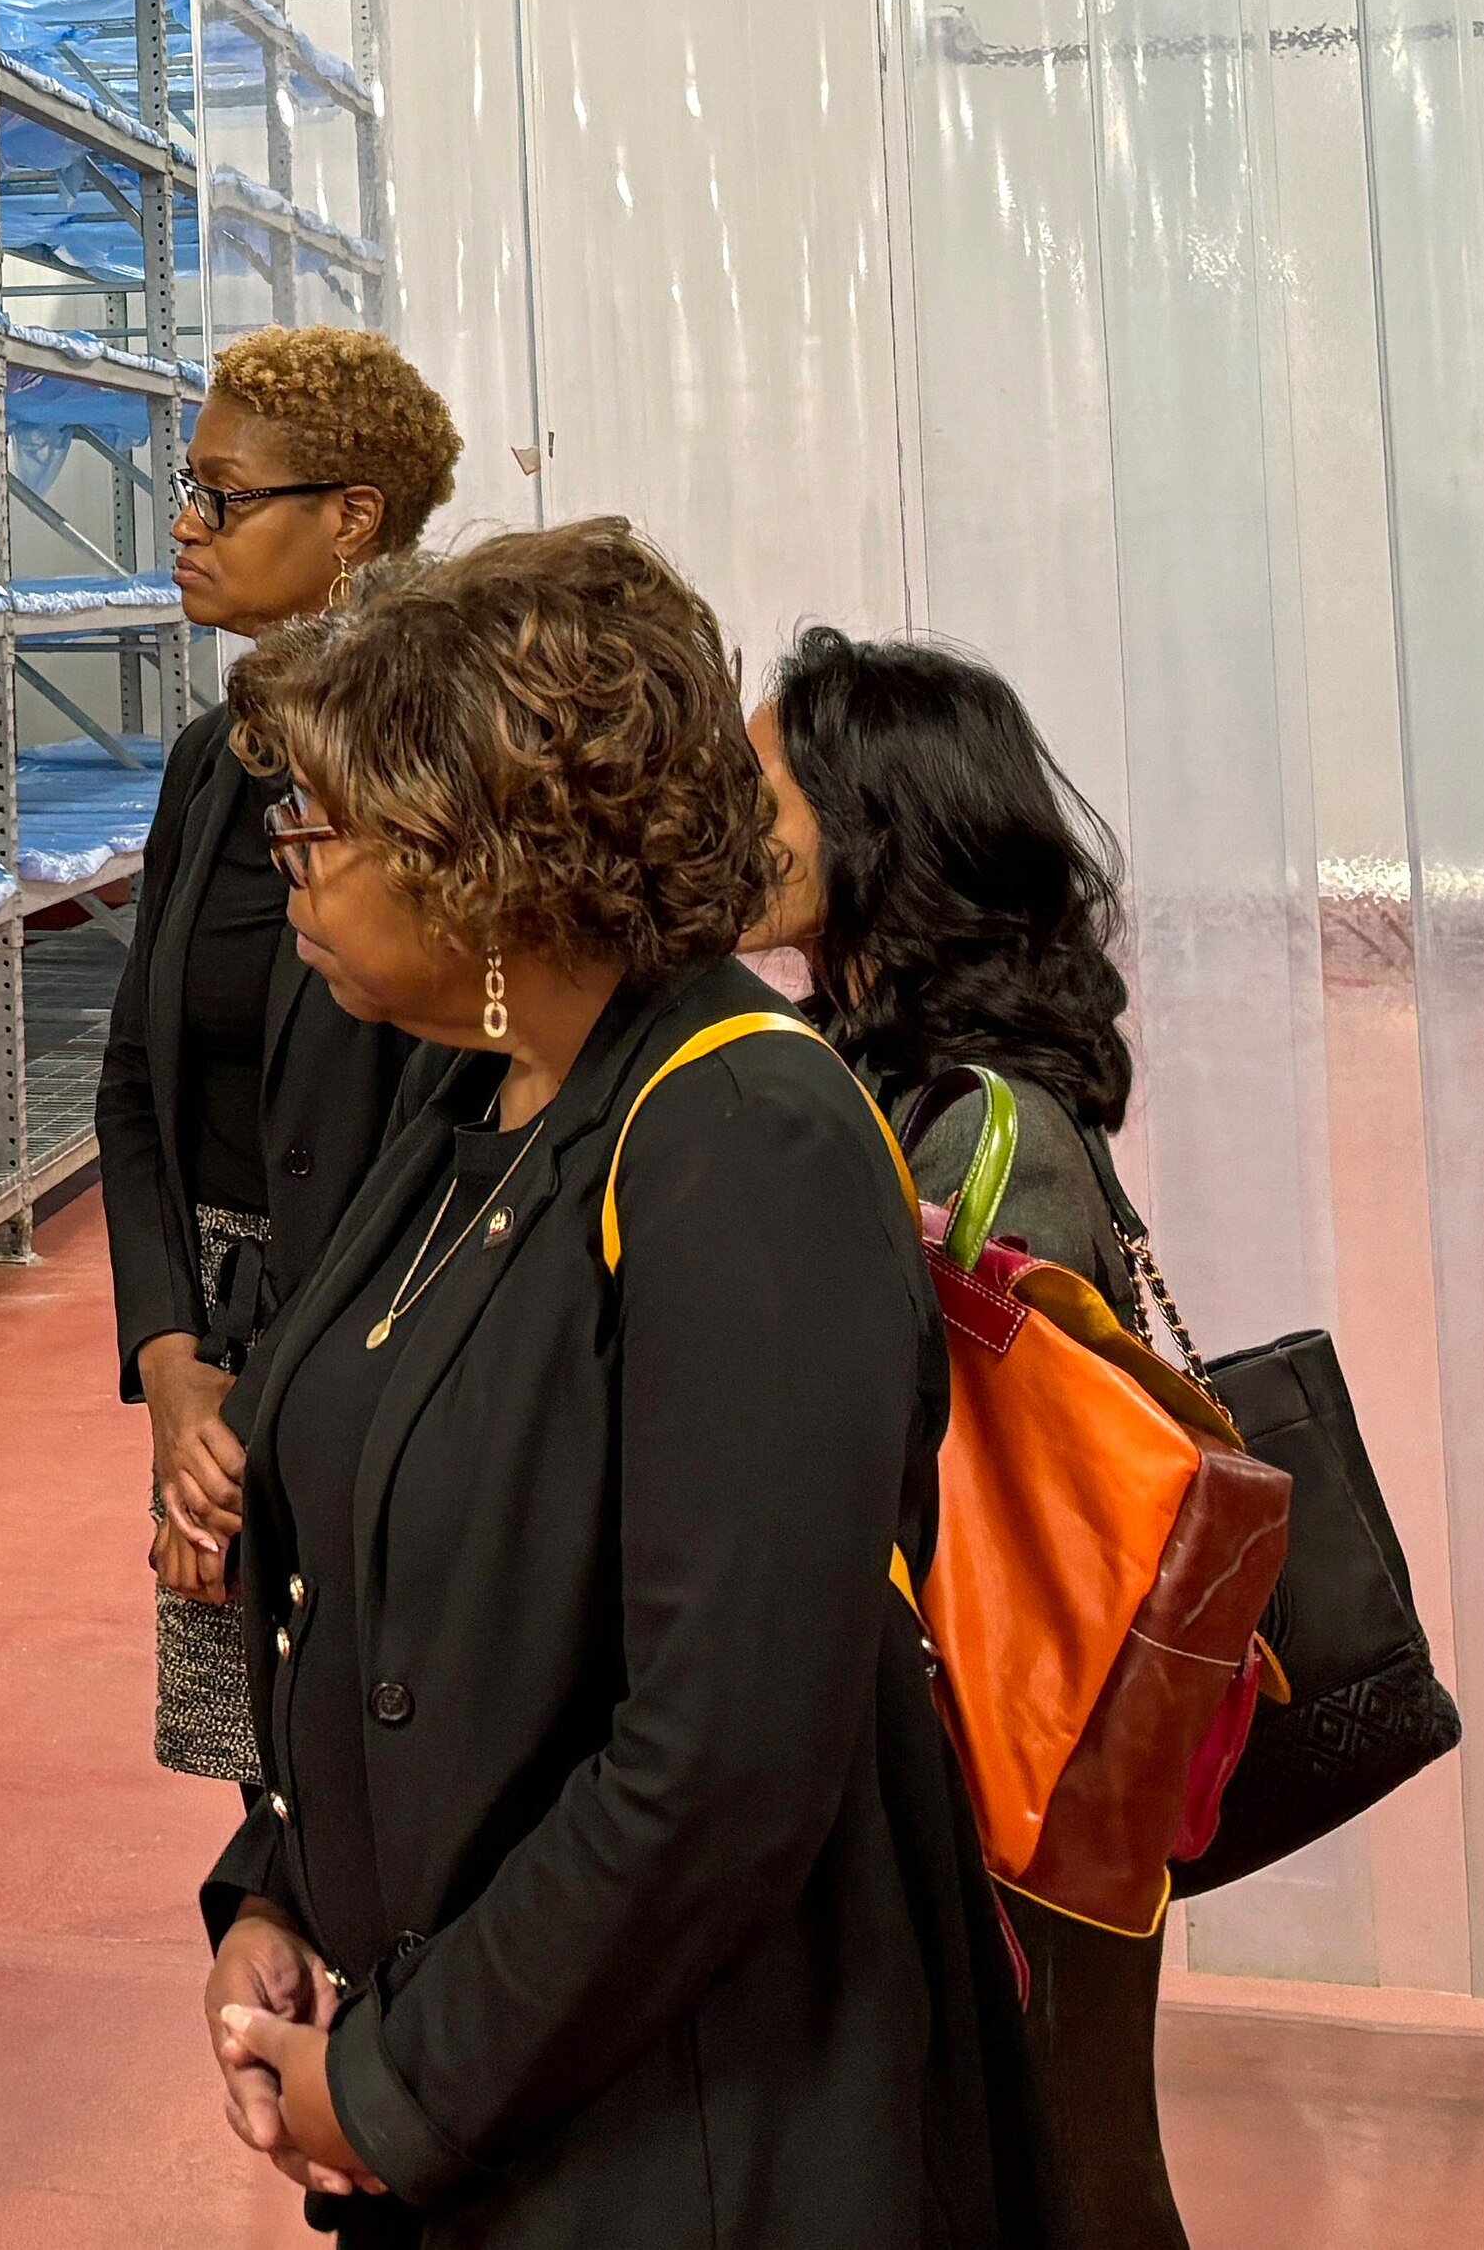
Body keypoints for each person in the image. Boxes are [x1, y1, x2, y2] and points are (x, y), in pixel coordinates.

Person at [193, 521, 1040, 2243]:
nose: (293, 866)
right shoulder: (476, 1100)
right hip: (516, 2078)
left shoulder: (742, 1137)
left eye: (325, 826)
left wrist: (408, 2074)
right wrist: (274, 1882)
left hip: (697, 2128)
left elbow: (720, 1761)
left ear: (482, 860)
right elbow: (374, 1568)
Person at [752, 622, 1181, 2249]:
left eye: (759, 785)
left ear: (873, 832)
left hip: (1024, 1768)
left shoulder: (982, 1136)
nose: (722, 820)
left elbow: (920, 1471)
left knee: (1067, 2174)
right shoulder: (906, 1083)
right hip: (1021, 1760)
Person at [95, 325, 459, 1782]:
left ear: (353, 517)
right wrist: (175, 1365)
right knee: (278, 1793)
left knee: (405, 1764)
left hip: (390, 1345)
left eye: (222, 495)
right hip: (222, 1352)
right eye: (184, 488)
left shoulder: (435, 761)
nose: (185, 525)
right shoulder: (210, 762)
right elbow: (133, 1081)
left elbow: (462, 1116)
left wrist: (267, 1397)